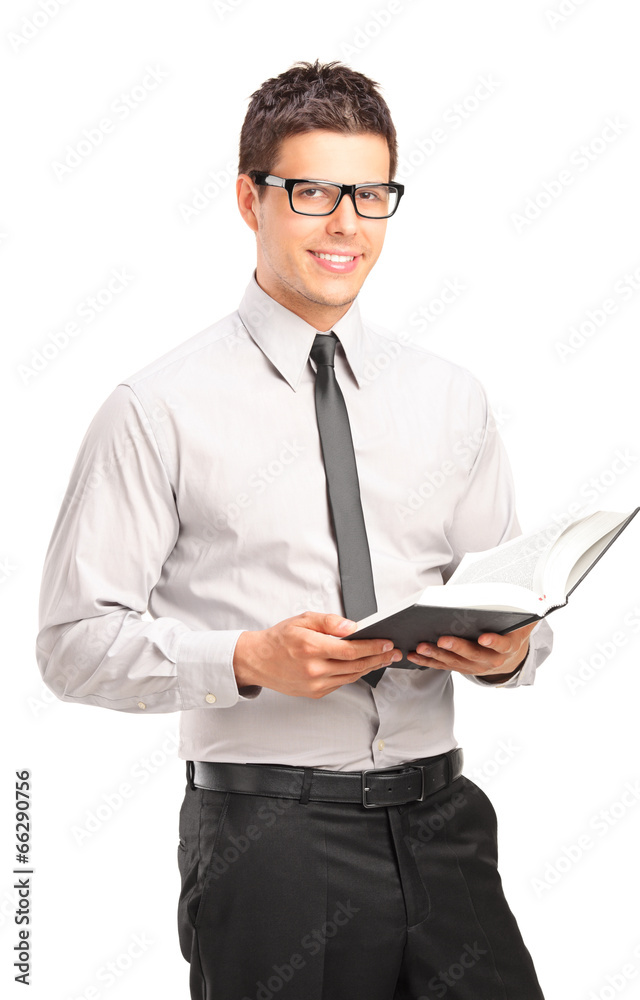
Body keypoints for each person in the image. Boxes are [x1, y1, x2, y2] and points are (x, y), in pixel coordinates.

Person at [37, 59, 553, 999]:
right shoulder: (156, 408)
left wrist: (508, 650)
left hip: (444, 828)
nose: (346, 224)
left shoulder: (449, 396)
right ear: (250, 199)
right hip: (269, 846)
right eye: (313, 191)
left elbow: (517, 600)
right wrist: (244, 660)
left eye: (370, 194)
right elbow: (72, 646)